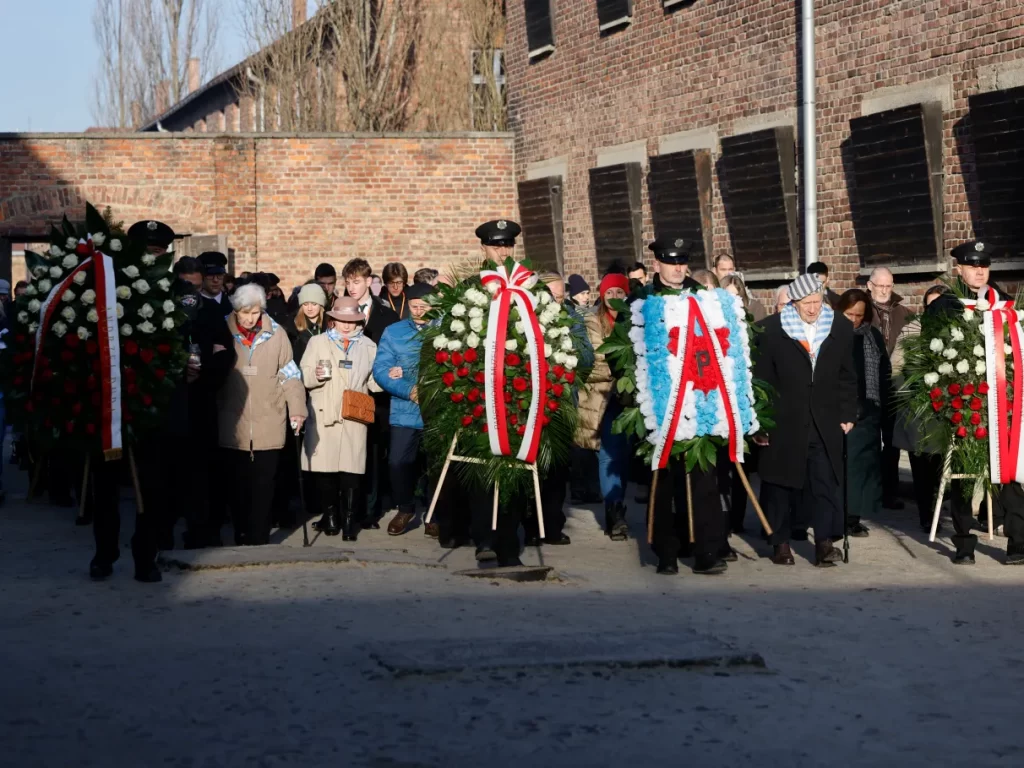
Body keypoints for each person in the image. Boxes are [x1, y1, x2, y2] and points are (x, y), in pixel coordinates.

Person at [926, 241, 1024, 565]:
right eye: (972, 265)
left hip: (1003, 403)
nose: (979, 271)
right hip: (965, 403)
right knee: (965, 474)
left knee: (1010, 474)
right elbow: (931, 353)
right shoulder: (945, 306)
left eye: (983, 265)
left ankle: (1018, 543)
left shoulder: (1005, 304)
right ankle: (964, 543)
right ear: (959, 269)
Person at [754, 273, 857, 567]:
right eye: (806, 303)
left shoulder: (839, 326)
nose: (812, 308)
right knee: (779, 483)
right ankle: (780, 542)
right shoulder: (770, 330)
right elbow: (761, 381)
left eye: (817, 301)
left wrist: (848, 412)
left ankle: (825, 543)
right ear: (794, 302)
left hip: (825, 419)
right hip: (783, 420)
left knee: (825, 481)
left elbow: (847, 375)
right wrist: (760, 423)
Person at [643, 237, 728, 575]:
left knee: (704, 481)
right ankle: (666, 551)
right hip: (660, 404)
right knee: (664, 482)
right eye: (670, 261)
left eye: (682, 261)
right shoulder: (643, 300)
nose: (678, 268)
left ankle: (706, 551)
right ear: (657, 264)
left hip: (700, 400)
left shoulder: (703, 298)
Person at [218, 283, 306, 546]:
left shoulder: (276, 334)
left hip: (269, 419)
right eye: (245, 312)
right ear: (236, 310)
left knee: (264, 486)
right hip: (233, 420)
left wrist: (298, 410)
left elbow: (290, 375)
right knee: (237, 486)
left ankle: (258, 537)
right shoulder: (223, 330)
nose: (250, 318)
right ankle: (241, 531)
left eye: (255, 312)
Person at [300, 297, 379, 540]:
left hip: (354, 414)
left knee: (352, 470)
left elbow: (373, 380)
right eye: (342, 320)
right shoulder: (317, 342)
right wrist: (315, 375)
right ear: (333, 319)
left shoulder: (368, 345)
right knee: (325, 469)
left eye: (352, 321)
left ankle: (348, 522)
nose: (346, 325)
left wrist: (390, 377)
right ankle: (331, 517)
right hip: (324, 410)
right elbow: (304, 375)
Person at [372, 283, 435, 537]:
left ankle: (434, 513)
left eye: (424, 306)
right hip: (405, 407)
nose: (418, 311)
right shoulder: (394, 332)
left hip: (436, 409)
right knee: (398, 461)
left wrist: (425, 387)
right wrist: (408, 389)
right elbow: (381, 369)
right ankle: (405, 507)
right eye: (414, 306)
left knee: (436, 464)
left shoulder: (446, 330)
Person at [342, 258, 399, 528]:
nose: (351, 287)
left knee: (374, 452)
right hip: (348, 388)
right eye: (348, 282)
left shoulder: (385, 313)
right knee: (348, 449)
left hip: (376, 394)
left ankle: (371, 510)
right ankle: (349, 507)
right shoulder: (338, 310)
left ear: (368, 281)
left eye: (356, 282)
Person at [576, 272, 632, 540]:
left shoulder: (634, 320)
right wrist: (624, 370)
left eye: (619, 292)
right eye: (609, 293)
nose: (613, 298)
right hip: (602, 398)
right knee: (609, 454)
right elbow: (598, 360)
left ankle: (617, 504)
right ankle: (615, 512)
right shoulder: (591, 321)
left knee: (622, 456)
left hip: (629, 399)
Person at [892, 284, 948, 533]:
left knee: (940, 466)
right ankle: (926, 514)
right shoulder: (912, 330)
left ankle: (939, 508)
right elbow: (895, 367)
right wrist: (908, 393)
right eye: (930, 304)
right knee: (921, 465)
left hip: (945, 408)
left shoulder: (954, 333)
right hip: (917, 409)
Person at [837, 289, 891, 538]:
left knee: (863, 467)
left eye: (859, 315)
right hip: (844, 410)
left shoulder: (872, 337)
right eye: (849, 314)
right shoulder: (833, 337)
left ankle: (853, 517)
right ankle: (841, 516)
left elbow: (884, 373)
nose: (854, 320)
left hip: (870, 409)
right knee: (847, 466)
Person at [865, 266, 912, 510]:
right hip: (868, 384)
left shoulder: (903, 313)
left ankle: (890, 492)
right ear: (869, 285)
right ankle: (869, 491)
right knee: (868, 440)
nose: (884, 290)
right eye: (879, 285)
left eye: (888, 286)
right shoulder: (861, 310)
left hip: (894, 385)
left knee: (892, 441)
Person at [290, 283, 327, 365]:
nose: (309, 308)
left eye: (314, 304)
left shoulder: (329, 324)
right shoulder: (292, 327)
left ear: (321, 305)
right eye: (305, 304)